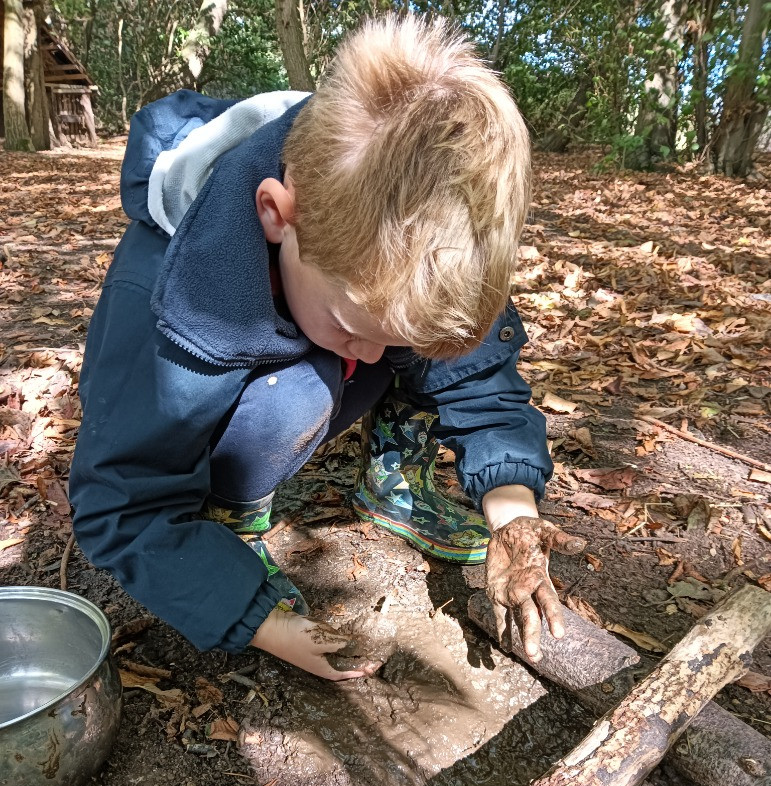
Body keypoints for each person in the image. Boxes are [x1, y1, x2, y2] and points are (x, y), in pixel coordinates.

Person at [69, 14, 584, 683]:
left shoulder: (413, 244)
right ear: (277, 215)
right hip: (247, 400)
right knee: (302, 391)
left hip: (310, 330)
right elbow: (120, 501)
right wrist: (263, 622)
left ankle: (395, 482)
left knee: (423, 341)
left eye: (389, 338)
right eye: (355, 324)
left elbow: (476, 372)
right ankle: (228, 519)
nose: (373, 360)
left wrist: (513, 515)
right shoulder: (168, 298)